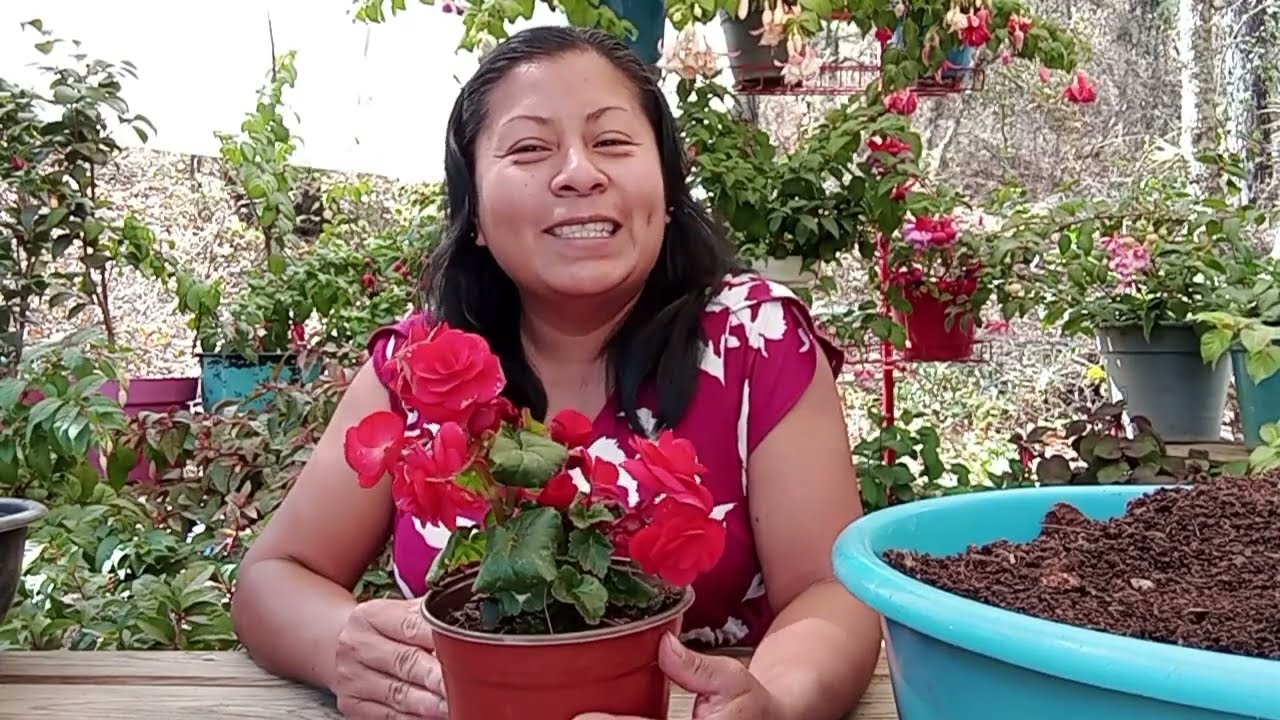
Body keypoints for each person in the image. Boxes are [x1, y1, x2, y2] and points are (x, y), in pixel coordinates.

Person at [231, 24, 882, 720]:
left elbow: (829, 590)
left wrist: (774, 704)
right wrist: (348, 645)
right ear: (473, 211)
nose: (579, 172)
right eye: (530, 148)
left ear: (664, 190)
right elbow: (273, 578)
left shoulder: (758, 338)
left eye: (611, 142)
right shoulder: (421, 366)